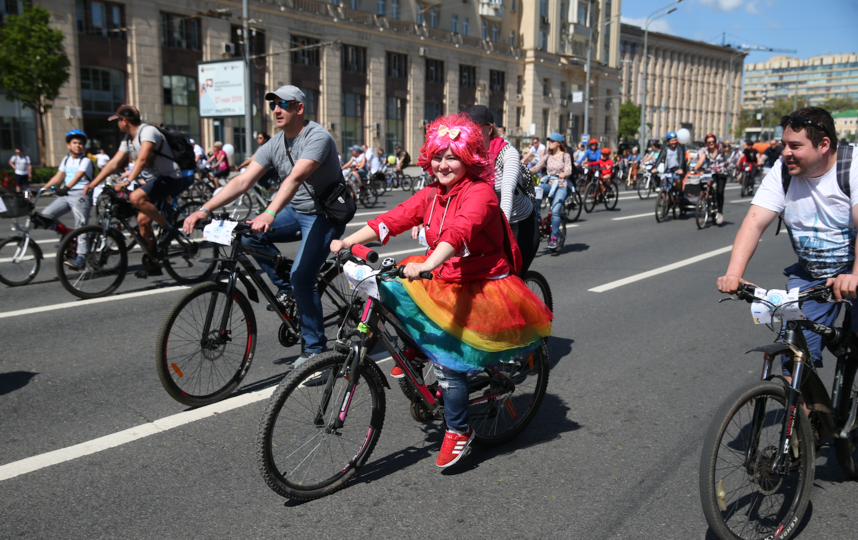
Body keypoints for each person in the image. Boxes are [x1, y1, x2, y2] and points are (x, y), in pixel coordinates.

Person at [329, 112, 552, 468]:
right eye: (437, 156)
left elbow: (459, 232)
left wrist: (429, 264)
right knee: (391, 291)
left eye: (452, 157)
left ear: (468, 158)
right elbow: (395, 218)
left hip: (479, 284)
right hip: (446, 273)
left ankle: (459, 429)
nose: (443, 164)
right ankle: (416, 350)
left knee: (449, 364)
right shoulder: (432, 192)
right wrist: (346, 241)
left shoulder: (481, 194)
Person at [183, 85, 346, 365]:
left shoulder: (317, 137)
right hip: (296, 211)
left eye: (283, 104)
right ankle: (289, 291)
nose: (276, 110)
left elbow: (294, 179)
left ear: (299, 108)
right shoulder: (275, 143)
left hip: (325, 214)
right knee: (245, 235)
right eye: (273, 104)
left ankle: (316, 352)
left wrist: (269, 212)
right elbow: (243, 181)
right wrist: (204, 209)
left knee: (302, 277)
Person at [717, 106, 858, 398]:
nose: (785, 152)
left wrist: (854, 275)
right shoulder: (783, 172)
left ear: (824, 144)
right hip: (813, 275)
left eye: (795, 146)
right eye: (784, 144)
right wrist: (734, 274)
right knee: (794, 356)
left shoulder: (852, 166)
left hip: (854, 271)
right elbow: (754, 223)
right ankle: (803, 434)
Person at [84, 104, 183, 276]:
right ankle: (154, 262)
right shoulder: (128, 139)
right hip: (152, 181)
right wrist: (93, 183)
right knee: (142, 222)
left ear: (124, 121)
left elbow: (143, 158)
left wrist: (128, 180)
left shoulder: (148, 132)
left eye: (117, 121)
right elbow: (114, 163)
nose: (117, 124)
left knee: (136, 198)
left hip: (170, 178)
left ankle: (168, 228)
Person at [465, 104, 539, 275]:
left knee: (513, 281)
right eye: (467, 128)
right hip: (489, 223)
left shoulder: (507, 153)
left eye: (475, 127)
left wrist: (500, 228)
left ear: (489, 129)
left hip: (518, 224)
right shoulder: (468, 155)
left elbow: (507, 193)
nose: (470, 132)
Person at [40, 130, 94, 269]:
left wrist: (65, 187)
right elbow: (58, 177)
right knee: (45, 215)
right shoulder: (66, 159)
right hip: (67, 194)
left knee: (81, 226)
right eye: (75, 143)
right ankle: (65, 235)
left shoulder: (86, 160)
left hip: (81, 195)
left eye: (81, 143)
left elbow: (78, 176)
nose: (78, 146)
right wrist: (43, 190)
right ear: (69, 145)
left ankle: (81, 257)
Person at [529, 132, 572, 249]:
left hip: (561, 186)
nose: (550, 143)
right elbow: (536, 168)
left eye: (552, 141)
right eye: (549, 141)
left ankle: (554, 237)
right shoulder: (547, 156)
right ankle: (537, 218)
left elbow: (568, 169)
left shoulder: (565, 156)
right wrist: (525, 170)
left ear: (558, 143)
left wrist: (565, 174)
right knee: (536, 191)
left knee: (555, 211)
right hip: (549, 184)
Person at [694, 134, 728, 225]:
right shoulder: (705, 152)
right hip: (710, 173)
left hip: (721, 173)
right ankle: (705, 199)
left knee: (719, 192)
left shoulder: (720, 149)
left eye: (713, 141)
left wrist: (726, 146)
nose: (711, 143)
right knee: (704, 186)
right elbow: (700, 161)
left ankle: (719, 212)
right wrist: (695, 169)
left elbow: (727, 149)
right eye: (709, 142)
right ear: (706, 143)